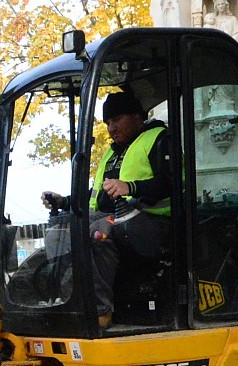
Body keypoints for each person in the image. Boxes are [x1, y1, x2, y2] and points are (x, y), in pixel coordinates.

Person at [40, 90, 174, 327]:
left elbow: (170, 183)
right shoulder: (112, 152)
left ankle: (99, 310)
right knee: (58, 231)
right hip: (114, 217)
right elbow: (97, 195)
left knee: (97, 233)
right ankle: (71, 300)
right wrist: (65, 202)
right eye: (108, 122)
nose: (111, 128)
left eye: (117, 119)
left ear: (136, 116)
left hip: (149, 221)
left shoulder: (160, 139)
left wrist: (130, 187)